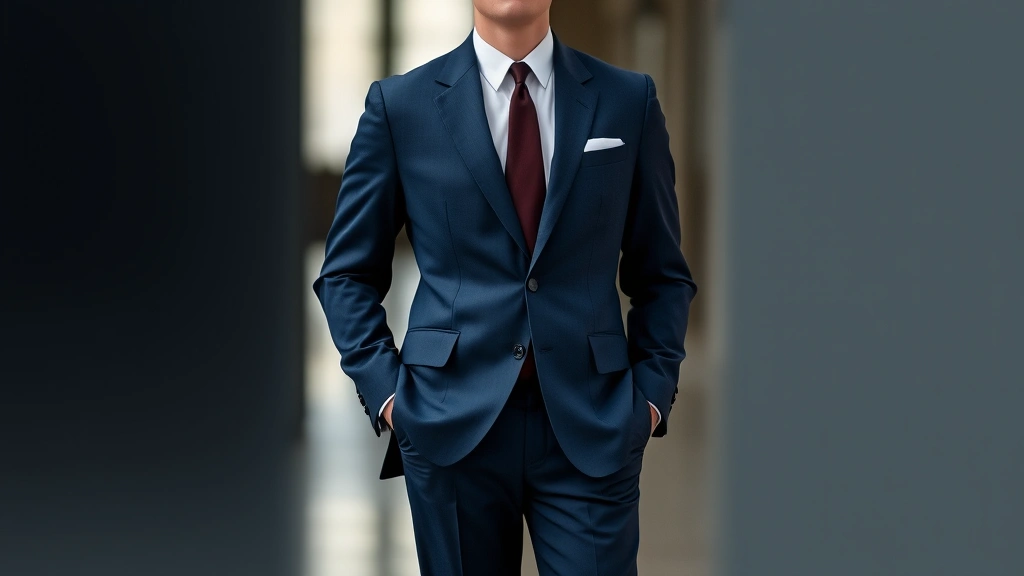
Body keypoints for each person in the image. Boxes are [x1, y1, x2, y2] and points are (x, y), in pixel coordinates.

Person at [314, 1, 696, 573]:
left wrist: (649, 401)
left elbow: (662, 274)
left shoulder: (627, 100)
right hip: (449, 423)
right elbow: (345, 273)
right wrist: (392, 399)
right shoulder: (402, 106)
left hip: (593, 421)